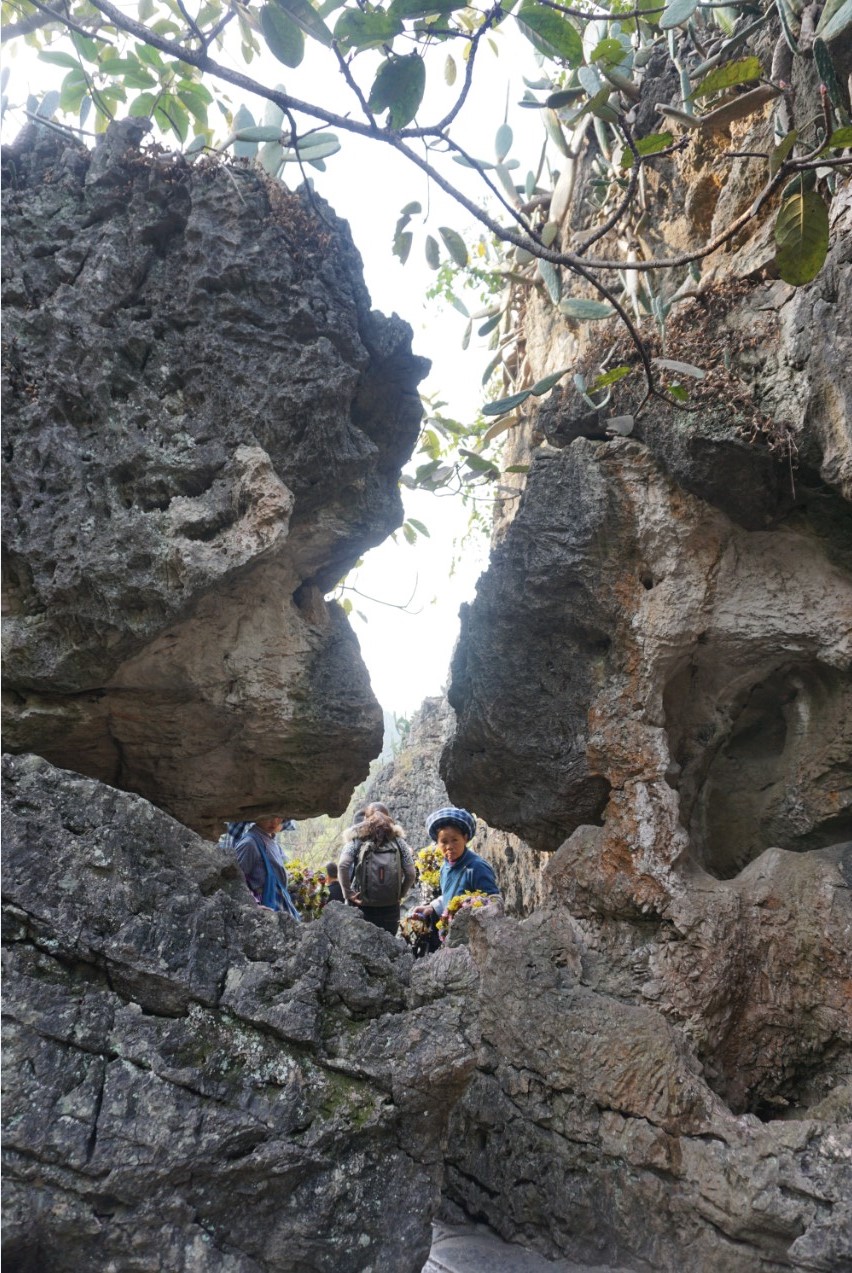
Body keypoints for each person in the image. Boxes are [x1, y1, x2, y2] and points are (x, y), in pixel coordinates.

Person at [412, 806, 500, 928]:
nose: (449, 846)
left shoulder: (476, 867)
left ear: (465, 838)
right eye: (444, 841)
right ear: (437, 843)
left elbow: (495, 901)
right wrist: (431, 908)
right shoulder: (445, 867)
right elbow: (451, 896)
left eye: (454, 840)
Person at [338, 802, 416, 934]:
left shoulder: (357, 838)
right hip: (390, 907)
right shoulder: (398, 841)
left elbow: (343, 865)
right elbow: (411, 873)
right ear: (389, 819)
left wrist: (348, 893)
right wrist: (400, 894)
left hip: (360, 903)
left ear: (365, 819)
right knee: (389, 946)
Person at [235, 815, 301, 920]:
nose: (274, 821)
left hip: (277, 907)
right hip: (264, 912)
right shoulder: (249, 844)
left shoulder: (271, 841)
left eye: (279, 816)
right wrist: (253, 905)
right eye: (270, 816)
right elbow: (234, 881)